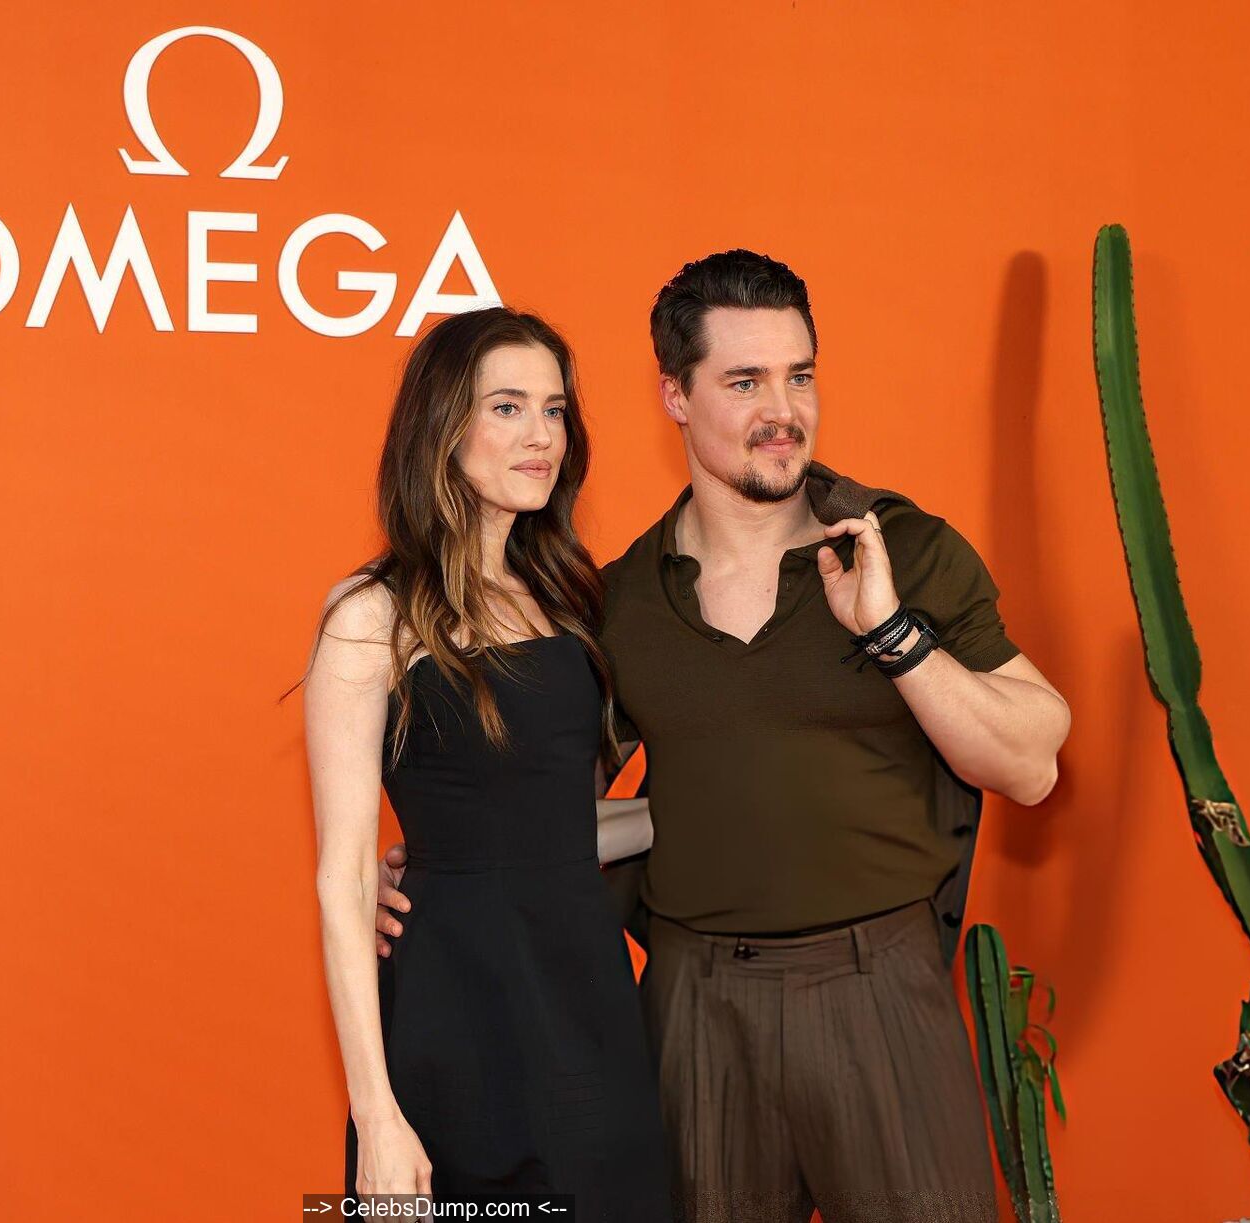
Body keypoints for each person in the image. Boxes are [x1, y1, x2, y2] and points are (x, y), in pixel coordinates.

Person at [375, 251, 1073, 1223]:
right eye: (745, 382)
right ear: (676, 394)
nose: (782, 410)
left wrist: (892, 634)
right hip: (692, 1009)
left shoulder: (898, 547)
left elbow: (1032, 762)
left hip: (880, 994)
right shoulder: (616, 601)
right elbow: (549, 810)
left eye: (800, 375)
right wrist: (432, 869)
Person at [304, 306, 674, 1220]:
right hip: (454, 1005)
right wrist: (376, 1114)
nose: (541, 435)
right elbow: (345, 874)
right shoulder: (371, 615)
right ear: (442, 428)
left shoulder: (566, 599)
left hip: (586, 996)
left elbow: (554, 826)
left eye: (554, 410)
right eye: (507, 407)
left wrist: (702, 812)